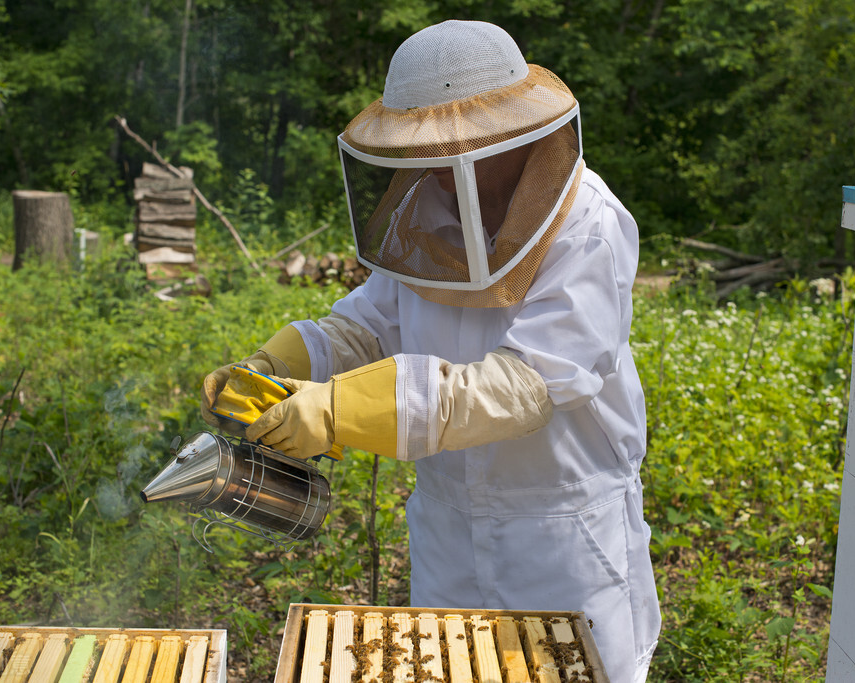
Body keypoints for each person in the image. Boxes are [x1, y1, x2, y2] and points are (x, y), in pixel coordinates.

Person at [201, 19, 660, 681]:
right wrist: (275, 365)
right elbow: (365, 327)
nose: (435, 167)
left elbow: (524, 387)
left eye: (452, 147)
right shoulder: (425, 214)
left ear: (510, 135)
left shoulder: (589, 223)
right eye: (420, 149)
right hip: (448, 539)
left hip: (561, 543)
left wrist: (340, 409)